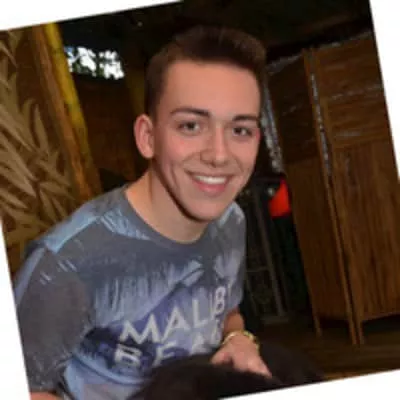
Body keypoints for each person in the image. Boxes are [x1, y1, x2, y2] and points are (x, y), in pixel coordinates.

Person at [14, 25, 268, 400]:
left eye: (240, 130)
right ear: (148, 137)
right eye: (191, 125)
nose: (219, 154)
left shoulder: (231, 221)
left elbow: (227, 312)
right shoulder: (65, 262)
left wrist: (239, 339)